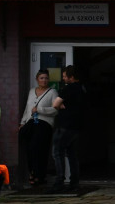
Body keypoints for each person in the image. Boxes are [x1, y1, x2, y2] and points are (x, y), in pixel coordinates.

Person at [18, 69, 58, 187]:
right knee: (30, 148)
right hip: (31, 123)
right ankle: (32, 172)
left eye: (46, 78)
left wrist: (40, 110)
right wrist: (22, 122)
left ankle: (39, 176)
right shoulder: (32, 91)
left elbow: (56, 110)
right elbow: (27, 108)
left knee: (40, 149)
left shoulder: (52, 92)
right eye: (42, 78)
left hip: (44, 124)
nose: (44, 80)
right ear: (37, 79)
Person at [49, 66, 86, 194]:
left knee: (57, 152)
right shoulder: (82, 88)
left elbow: (55, 104)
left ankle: (59, 182)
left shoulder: (68, 88)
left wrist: (61, 105)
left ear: (71, 77)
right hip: (76, 126)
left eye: (65, 76)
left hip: (64, 125)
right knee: (72, 154)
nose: (63, 78)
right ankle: (74, 182)